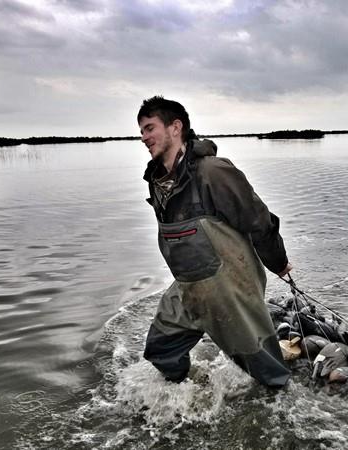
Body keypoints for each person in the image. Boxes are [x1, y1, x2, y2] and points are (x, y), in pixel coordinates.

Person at [138, 96, 292, 387]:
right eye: (142, 131)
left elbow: (258, 220)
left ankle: (285, 415)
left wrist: (279, 263)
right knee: (161, 351)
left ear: (175, 127)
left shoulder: (213, 171)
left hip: (230, 288)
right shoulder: (156, 180)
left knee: (270, 376)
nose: (143, 137)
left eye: (149, 128)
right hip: (188, 287)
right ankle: (203, 388)